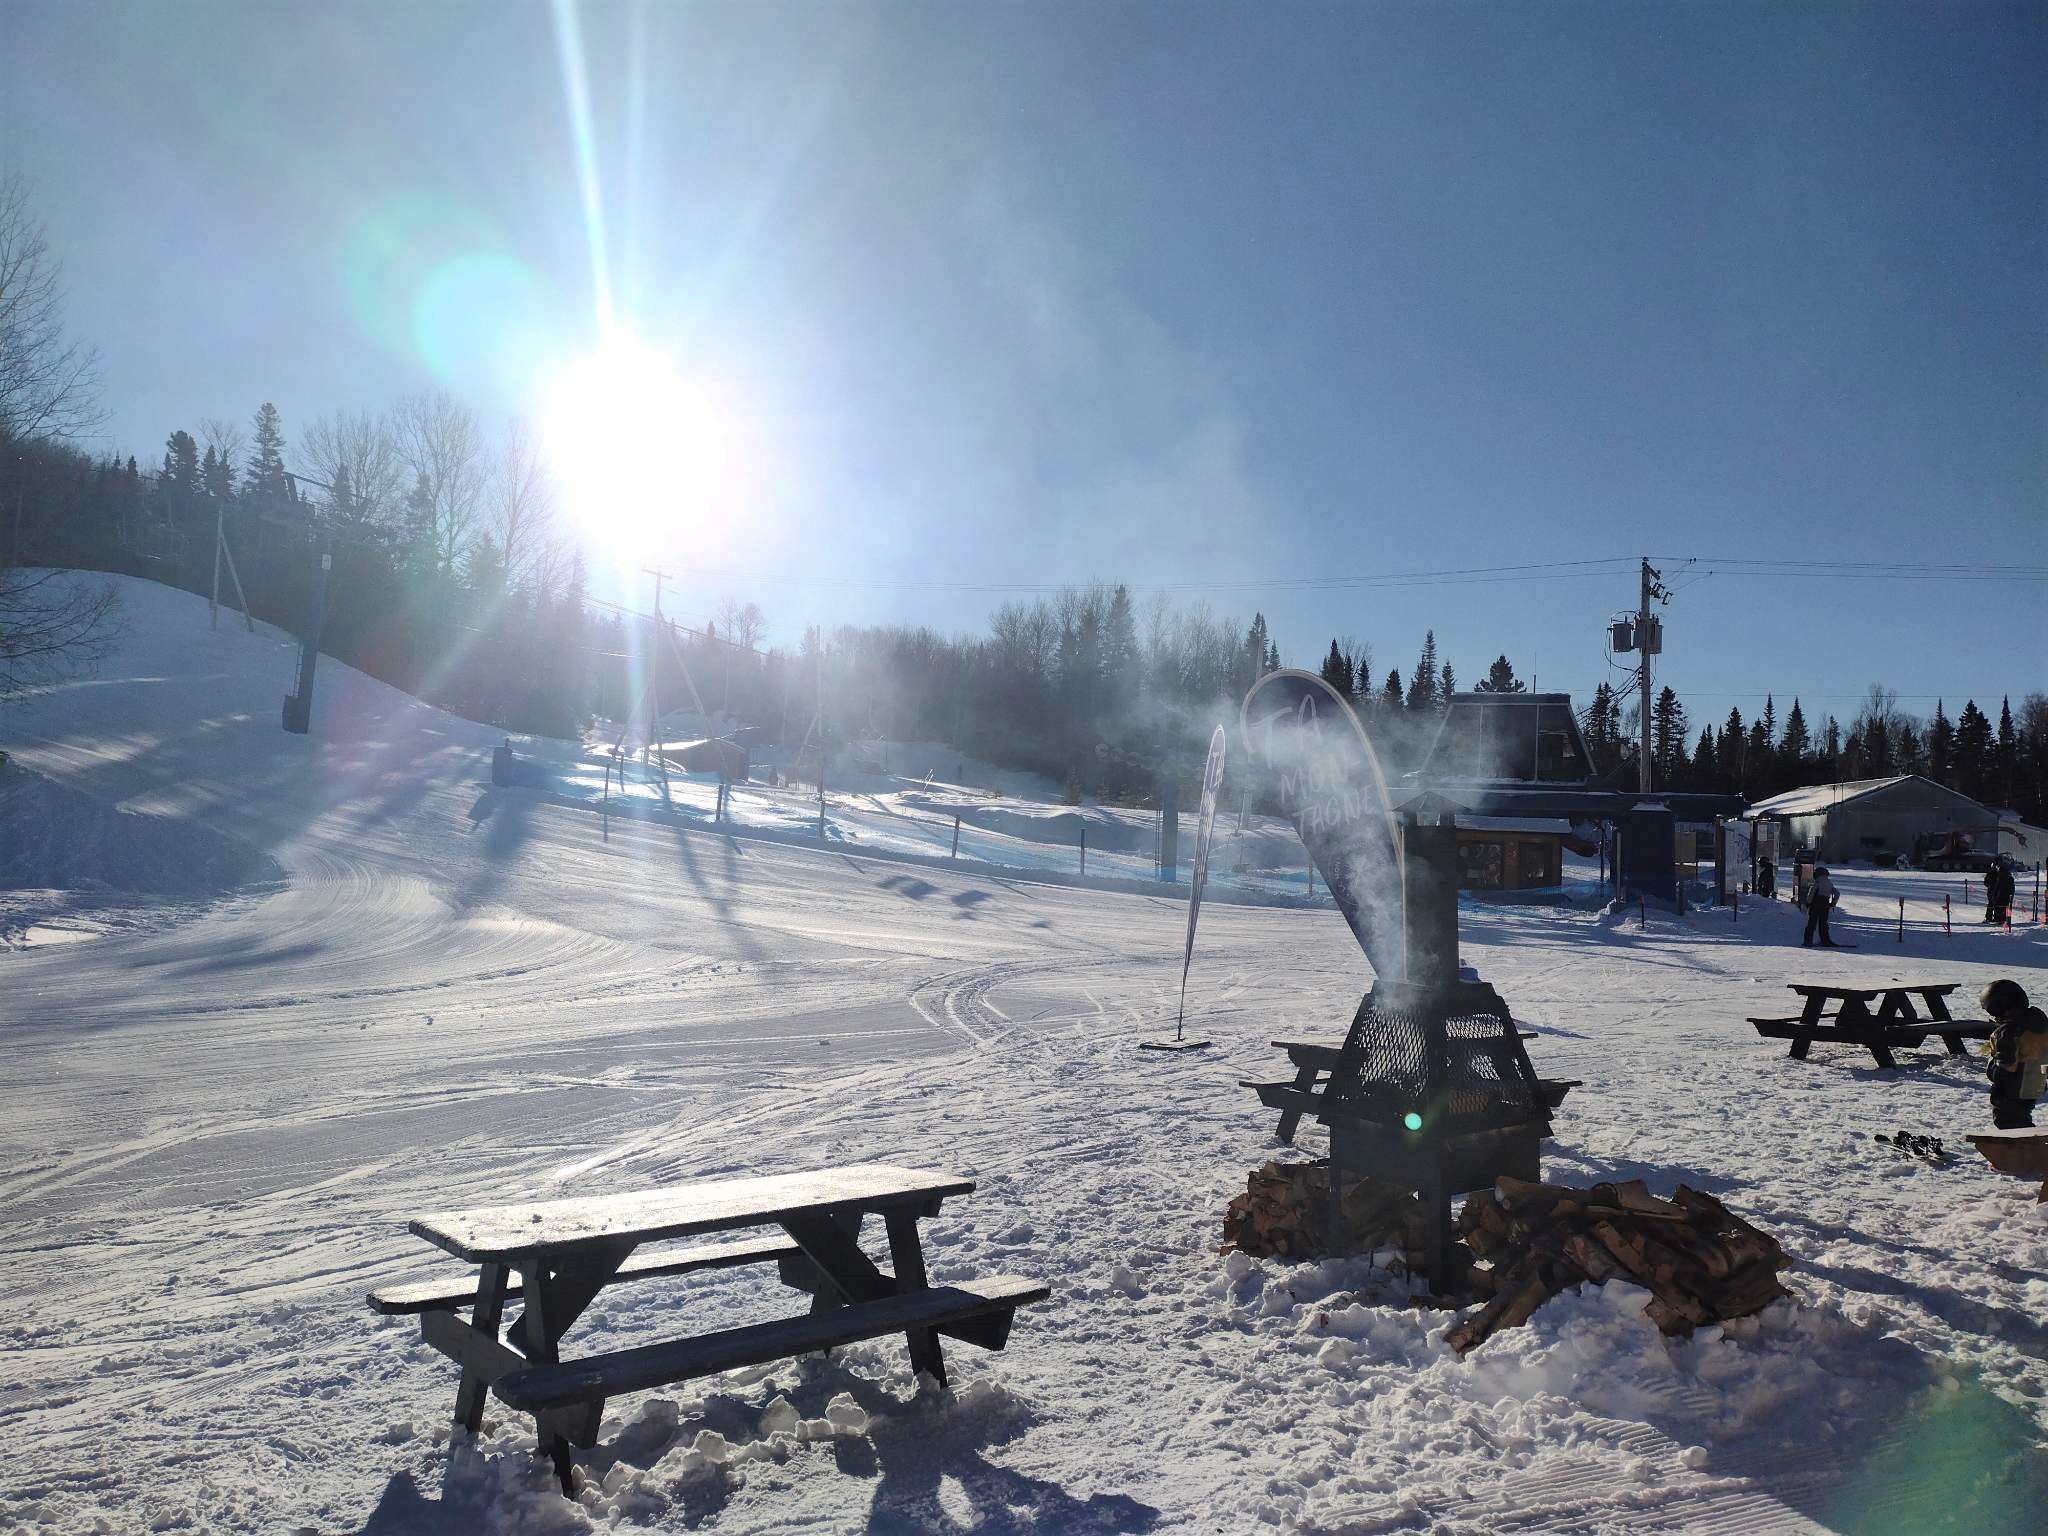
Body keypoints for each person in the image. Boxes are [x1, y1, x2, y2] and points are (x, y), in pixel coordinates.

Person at [1982, 979, 2048, 1129]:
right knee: (2022, 1118)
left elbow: (2008, 1065)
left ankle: (2021, 1143)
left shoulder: (2007, 1032)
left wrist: (1993, 1070)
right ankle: (2028, 1140)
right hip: (2034, 1086)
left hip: (2011, 1089)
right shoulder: (2041, 1025)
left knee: (2007, 1122)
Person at [1801, 866, 1840, 946]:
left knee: (1812, 923)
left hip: (1815, 904)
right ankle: (1825, 940)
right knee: (1823, 923)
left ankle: (1808, 941)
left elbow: (1811, 893)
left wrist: (1808, 903)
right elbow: (1837, 893)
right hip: (1825, 904)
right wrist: (1833, 903)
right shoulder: (1829, 883)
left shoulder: (1817, 882)